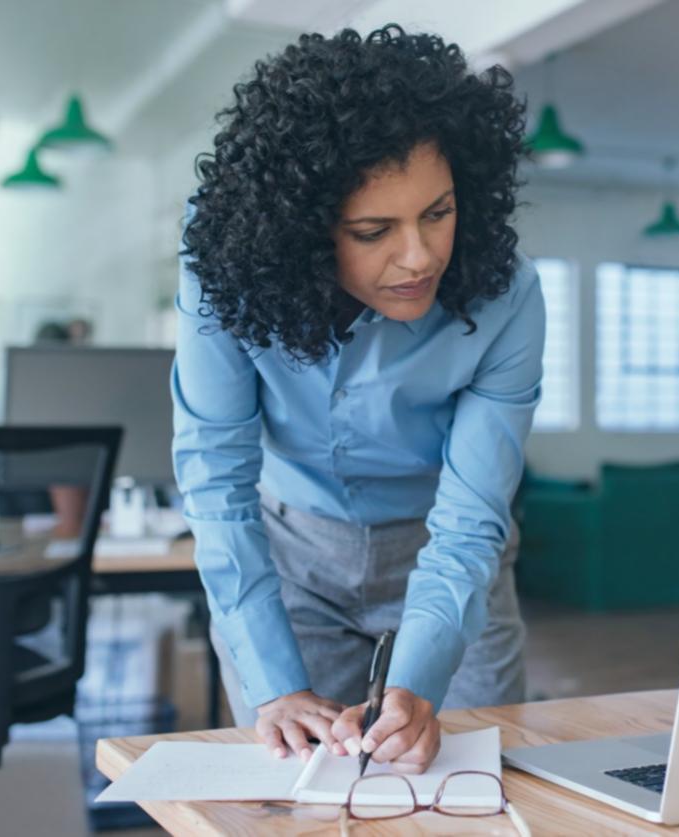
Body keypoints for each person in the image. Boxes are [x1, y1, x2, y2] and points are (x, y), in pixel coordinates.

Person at [172, 25, 542, 775]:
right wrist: (274, 683)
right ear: (303, 232)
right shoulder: (223, 272)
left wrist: (418, 677)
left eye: (438, 212)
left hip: (447, 553)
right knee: (299, 790)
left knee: (475, 786)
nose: (420, 256)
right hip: (290, 556)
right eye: (375, 230)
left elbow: (472, 518)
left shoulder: (510, 296)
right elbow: (216, 478)